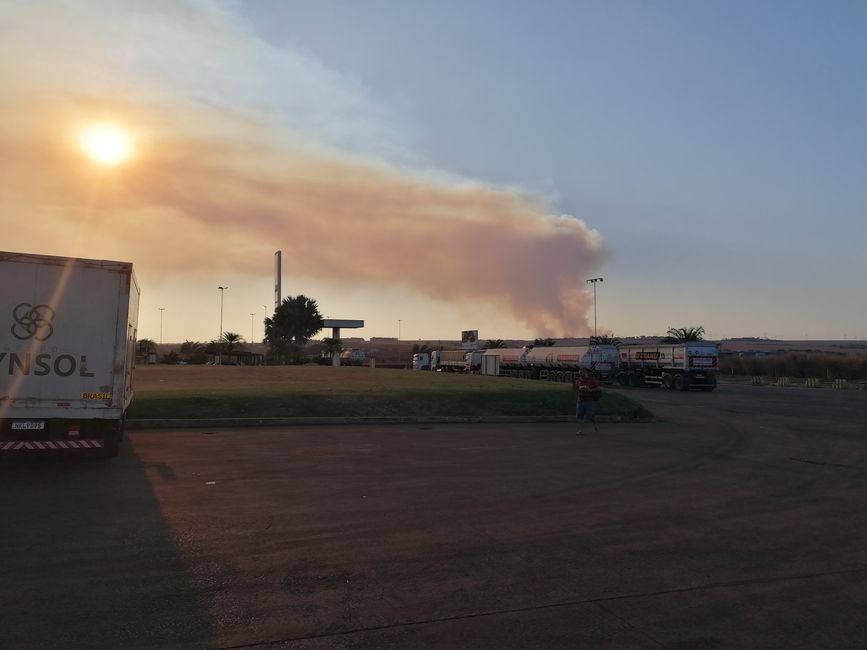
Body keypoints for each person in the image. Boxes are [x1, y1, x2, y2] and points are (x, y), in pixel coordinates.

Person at [574, 368, 600, 435]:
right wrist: (578, 388)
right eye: (580, 373)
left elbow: (598, 388)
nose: (581, 374)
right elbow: (575, 388)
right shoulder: (578, 380)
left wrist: (590, 390)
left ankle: (595, 425)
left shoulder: (591, 380)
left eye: (582, 373)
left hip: (589, 401)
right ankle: (581, 430)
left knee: (590, 416)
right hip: (580, 400)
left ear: (586, 373)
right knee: (579, 416)